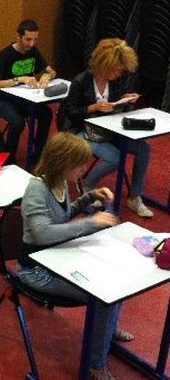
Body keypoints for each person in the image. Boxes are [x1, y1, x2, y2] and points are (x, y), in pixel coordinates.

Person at [19, 132, 131, 380]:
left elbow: (63, 216)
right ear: (61, 162)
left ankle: (107, 331)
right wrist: (92, 222)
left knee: (116, 281)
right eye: (79, 164)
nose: (83, 169)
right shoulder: (37, 188)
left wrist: (89, 198)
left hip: (56, 257)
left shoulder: (60, 183)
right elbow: (42, 233)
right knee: (104, 296)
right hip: (36, 270)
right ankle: (96, 365)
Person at [63, 38, 152, 218]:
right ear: (105, 64)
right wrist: (92, 108)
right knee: (115, 157)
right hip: (81, 130)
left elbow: (116, 107)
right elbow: (69, 112)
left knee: (143, 148)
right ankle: (89, 184)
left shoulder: (115, 82)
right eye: (117, 69)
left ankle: (135, 196)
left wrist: (126, 100)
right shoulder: (81, 81)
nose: (120, 73)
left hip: (107, 130)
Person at [0, 19, 57, 164]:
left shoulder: (33, 51)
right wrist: (19, 79)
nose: (31, 44)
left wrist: (46, 75)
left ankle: (37, 156)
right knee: (17, 122)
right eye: (28, 39)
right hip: (2, 99)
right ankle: (8, 159)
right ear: (18, 37)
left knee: (46, 114)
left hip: (24, 98)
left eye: (34, 40)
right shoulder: (6, 54)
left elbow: (51, 71)